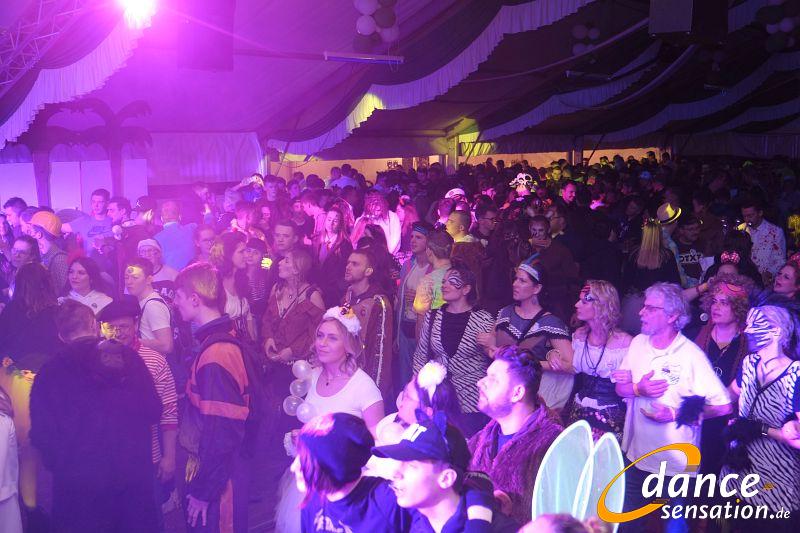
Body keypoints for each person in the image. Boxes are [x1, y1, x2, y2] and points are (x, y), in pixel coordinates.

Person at [29, 300, 161, 532]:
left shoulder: (50, 372)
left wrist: (60, 465)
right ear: (93, 325)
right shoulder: (128, 358)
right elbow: (153, 410)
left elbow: (41, 433)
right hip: (130, 482)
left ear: (61, 335)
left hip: (78, 489)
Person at [613, 282, 733, 533]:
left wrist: (676, 414)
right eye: (643, 306)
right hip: (636, 458)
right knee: (627, 528)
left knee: (675, 529)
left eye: (650, 308)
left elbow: (723, 405)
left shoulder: (691, 355)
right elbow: (621, 389)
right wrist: (638, 389)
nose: (641, 312)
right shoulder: (638, 343)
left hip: (677, 467)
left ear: (672, 316)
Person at [274, 308, 385, 533]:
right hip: (310, 483)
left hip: (345, 489)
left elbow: (379, 446)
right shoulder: (311, 376)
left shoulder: (364, 388)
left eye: (332, 338)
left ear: (349, 345)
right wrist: (301, 438)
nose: (322, 343)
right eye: (320, 336)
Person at [172, 263, 254, 533]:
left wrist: (203, 492)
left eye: (179, 296)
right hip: (219, 472)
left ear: (195, 299)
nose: (175, 303)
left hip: (220, 483)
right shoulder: (220, 338)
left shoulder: (217, 354)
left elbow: (222, 432)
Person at [97, 296, 179, 522]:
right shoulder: (96, 360)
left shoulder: (155, 361)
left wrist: (169, 457)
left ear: (135, 324)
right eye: (111, 327)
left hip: (147, 458)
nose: (118, 332)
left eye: (123, 326)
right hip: (107, 460)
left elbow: (169, 412)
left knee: (148, 520)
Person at [720, 305, 800, 532]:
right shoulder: (749, 363)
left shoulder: (796, 375)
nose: (747, 330)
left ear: (776, 331)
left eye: (755, 325)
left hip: (775, 488)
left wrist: (761, 429)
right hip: (736, 477)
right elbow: (728, 395)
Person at [470, 345, 562, 525]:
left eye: (493, 379)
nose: (480, 382)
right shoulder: (481, 439)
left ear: (517, 393)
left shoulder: (553, 445)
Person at [0, 263, 62, 520]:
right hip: (46, 387)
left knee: (16, 449)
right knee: (38, 450)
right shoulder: (56, 313)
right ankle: (37, 507)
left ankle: (21, 507)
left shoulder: (10, 312)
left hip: (11, 384)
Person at [478, 261, 574, 411]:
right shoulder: (505, 313)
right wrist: (490, 349)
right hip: (501, 393)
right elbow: (491, 348)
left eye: (522, 281)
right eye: (515, 279)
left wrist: (534, 363)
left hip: (530, 398)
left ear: (537, 288)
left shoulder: (551, 323)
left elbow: (570, 365)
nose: (515, 284)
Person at [412, 262, 494, 436]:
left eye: (452, 281)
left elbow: (494, 357)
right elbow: (421, 354)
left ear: (466, 289)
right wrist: (417, 389)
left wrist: (493, 343)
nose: (444, 285)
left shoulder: (483, 319)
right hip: (441, 400)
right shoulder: (432, 316)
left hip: (472, 400)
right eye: (443, 281)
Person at [690, 274, 753, 480]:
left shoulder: (748, 344)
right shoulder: (697, 335)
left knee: (717, 481)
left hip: (727, 424)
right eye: (714, 301)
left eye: (724, 303)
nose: (716, 307)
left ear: (739, 308)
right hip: (696, 421)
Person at [563, 281, 631, 441]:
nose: (576, 304)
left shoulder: (625, 343)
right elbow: (571, 366)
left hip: (611, 416)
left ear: (601, 306)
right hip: (579, 411)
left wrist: (631, 378)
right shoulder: (579, 336)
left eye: (584, 301)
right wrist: (552, 354)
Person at [343, 248, 394, 398]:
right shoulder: (348, 296)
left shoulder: (378, 303)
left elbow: (381, 353)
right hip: (345, 374)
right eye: (348, 263)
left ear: (368, 271)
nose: (348, 267)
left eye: (355, 264)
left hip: (364, 379)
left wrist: (375, 392)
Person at [262, 247, 325, 364]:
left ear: (296, 269)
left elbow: (319, 332)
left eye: (286, 261)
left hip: (299, 363)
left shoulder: (312, 296)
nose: (279, 263)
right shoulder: (277, 289)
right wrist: (268, 338)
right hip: (273, 359)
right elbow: (267, 319)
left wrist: (292, 350)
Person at [620, 218, 681, 334]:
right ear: (659, 234)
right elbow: (675, 283)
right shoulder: (667, 256)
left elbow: (625, 281)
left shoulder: (633, 254)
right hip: (657, 306)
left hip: (632, 304)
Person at [396, 222, 433, 388]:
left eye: (419, 237)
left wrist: (420, 296)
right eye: (411, 237)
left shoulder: (434, 268)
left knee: (421, 375)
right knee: (404, 375)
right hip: (405, 325)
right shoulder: (407, 266)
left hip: (423, 328)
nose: (413, 240)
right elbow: (400, 298)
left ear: (428, 242)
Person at [525, 215, 579, 323]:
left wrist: (576, 310)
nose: (536, 234)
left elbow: (572, 280)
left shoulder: (560, 250)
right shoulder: (526, 249)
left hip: (556, 303)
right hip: (533, 302)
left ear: (548, 230)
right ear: (529, 229)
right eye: (534, 230)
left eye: (541, 230)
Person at [211, 232, 257, 342]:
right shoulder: (215, 285)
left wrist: (253, 343)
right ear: (228, 254)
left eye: (246, 250)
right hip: (225, 346)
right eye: (241, 252)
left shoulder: (242, 281)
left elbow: (248, 317)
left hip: (245, 346)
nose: (246, 255)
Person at [124, 258, 174, 356]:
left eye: (135, 277)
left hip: (157, 363)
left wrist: (132, 341)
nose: (129, 282)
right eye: (126, 277)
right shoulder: (144, 302)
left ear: (149, 280)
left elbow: (166, 346)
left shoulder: (153, 306)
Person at [312, 207, 354, 307]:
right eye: (329, 219)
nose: (331, 223)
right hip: (315, 290)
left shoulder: (345, 245)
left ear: (340, 224)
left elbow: (345, 274)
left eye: (335, 221)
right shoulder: (317, 239)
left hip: (333, 293)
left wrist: (328, 290)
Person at [413, 229, 454, 326]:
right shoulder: (461, 274)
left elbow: (421, 319)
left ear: (429, 251)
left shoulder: (428, 281)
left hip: (436, 331)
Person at [741, 197, 786, 284]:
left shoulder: (776, 232)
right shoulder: (740, 229)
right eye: (744, 216)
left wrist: (769, 273)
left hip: (766, 281)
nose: (747, 219)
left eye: (750, 216)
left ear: (760, 213)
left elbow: (780, 259)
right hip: (744, 279)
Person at [63, 188, 114, 254]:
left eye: (100, 202)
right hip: (89, 260)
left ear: (107, 203)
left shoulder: (113, 221)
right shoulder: (83, 221)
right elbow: (59, 227)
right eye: (93, 202)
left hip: (111, 259)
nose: (96, 205)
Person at [29, 210, 68, 294]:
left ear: (39, 234)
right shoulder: (42, 254)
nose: (30, 235)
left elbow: (64, 291)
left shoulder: (60, 259)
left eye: (31, 231)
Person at [154, 200, 197, 271]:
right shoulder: (192, 228)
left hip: (170, 276)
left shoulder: (156, 239)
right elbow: (209, 226)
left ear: (161, 218)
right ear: (180, 217)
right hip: (194, 274)